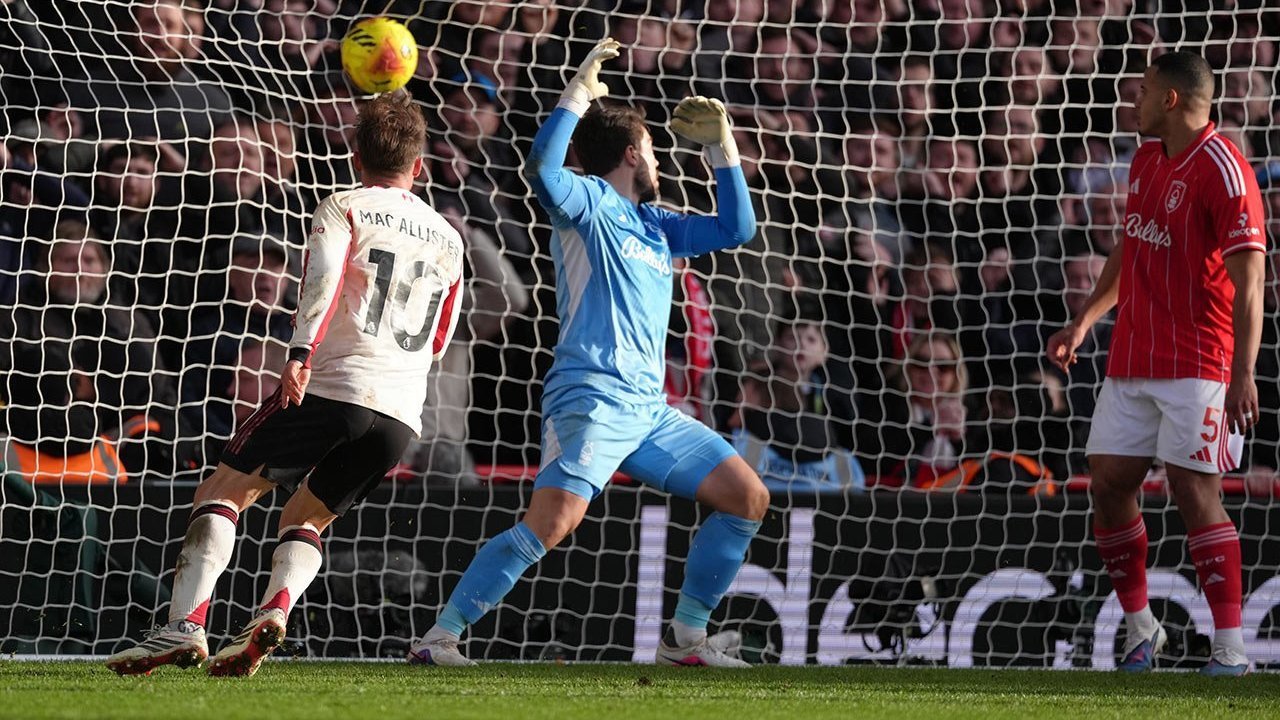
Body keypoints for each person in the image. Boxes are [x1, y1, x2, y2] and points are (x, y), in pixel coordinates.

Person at [407, 37, 767, 668]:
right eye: (654, 149)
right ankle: (441, 637)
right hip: (592, 398)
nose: (659, 160)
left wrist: (723, 150)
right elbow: (543, 171)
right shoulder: (590, 205)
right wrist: (574, 98)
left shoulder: (658, 224)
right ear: (632, 154)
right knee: (549, 526)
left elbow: (738, 229)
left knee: (746, 498)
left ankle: (684, 639)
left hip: (648, 410)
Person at [105, 92, 464, 678]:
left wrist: (298, 355)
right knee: (306, 514)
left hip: (333, 386)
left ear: (354, 155)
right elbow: (441, 336)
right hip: (401, 415)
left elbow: (321, 281)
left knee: (223, 489)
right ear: (419, 166)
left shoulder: (344, 205)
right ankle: (272, 612)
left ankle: (184, 627)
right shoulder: (448, 238)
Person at [1047, 51, 1266, 677]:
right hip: (1132, 357)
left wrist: (1242, 373)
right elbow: (1132, 243)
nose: (1132, 101)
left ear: (1170, 101)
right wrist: (1086, 319)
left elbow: (1250, 285)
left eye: (1141, 91)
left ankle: (1231, 650)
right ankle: (1142, 628)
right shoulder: (1145, 160)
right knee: (1109, 482)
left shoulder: (1226, 172)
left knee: (1194, 490)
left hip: (1200, 360)